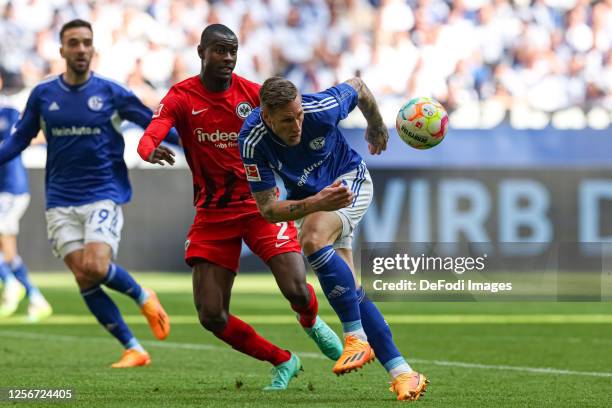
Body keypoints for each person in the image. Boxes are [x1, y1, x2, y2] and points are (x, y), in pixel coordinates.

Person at [137, 24, 343, 390]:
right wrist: (148, 149)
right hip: (212, 214)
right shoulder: (182, 96)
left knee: (296, 287)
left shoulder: (252, 94)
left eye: (232, 50)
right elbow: (155, 128)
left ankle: (310, 321)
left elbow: (293, 125)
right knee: (211, 315)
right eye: (219, 50)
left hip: (259, 206)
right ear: (201, 52)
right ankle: (283, 360)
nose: (228, 57)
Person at [238, 76, 429, 401]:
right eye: (287, 119)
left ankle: (355, 336)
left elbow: (359, 86)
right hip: (315, 200)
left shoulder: (321, 108)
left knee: (312, 240)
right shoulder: (252, 141)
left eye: (299, 114)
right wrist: (315, 203)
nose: (297, 124)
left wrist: (376, 125)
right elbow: (268, 210)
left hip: (348, 181)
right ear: (267, 117)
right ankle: (404, 373)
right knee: (349, 288)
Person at [0, 19, 172, 368]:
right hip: (59, 200)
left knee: (95, 265)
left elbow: (150, 121)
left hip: (102, 192)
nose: (80, 49)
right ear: (62, 50)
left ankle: (142, 295)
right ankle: (133, 348)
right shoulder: (44, 95)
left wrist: (181, 147)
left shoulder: (111, 92)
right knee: (82, 275)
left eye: (86, 43)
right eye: (73, 43)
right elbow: (20, 138)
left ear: (94, 49)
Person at [0, 79, 52, 321]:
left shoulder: (8, 110)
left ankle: (11, 283)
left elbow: (24, 135)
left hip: (11, 188)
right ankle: (36, 297)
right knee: (8, 251)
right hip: (4, 189)